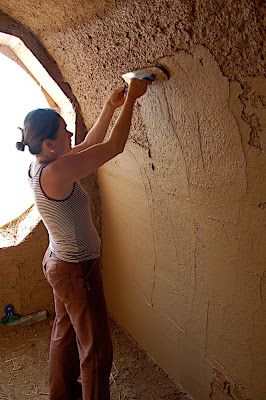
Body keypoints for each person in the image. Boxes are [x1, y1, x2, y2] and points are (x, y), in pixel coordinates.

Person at [16, 78, 150, 400]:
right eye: (65, 131)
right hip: (76, 270)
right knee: (96, 350)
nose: (71, 135)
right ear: (50, 144)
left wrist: (109, 106)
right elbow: (113, 147)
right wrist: (132, 98)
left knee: (65, 335)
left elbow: (89, 144)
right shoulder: (57, 173)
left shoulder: (42, 166)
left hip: (59, 263)